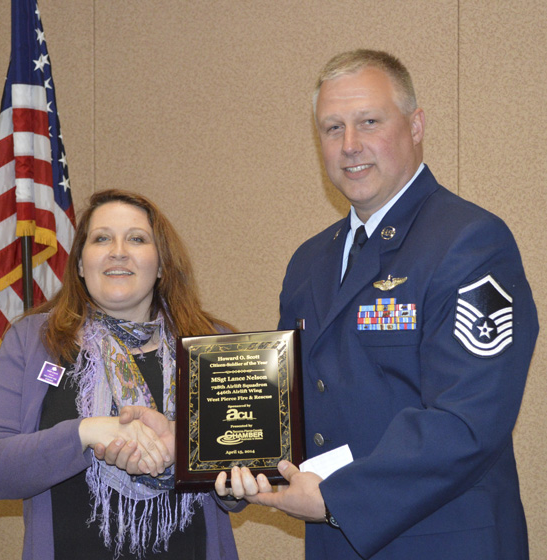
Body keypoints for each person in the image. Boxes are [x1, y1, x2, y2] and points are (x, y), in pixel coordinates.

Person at [215, 49, 539, 559]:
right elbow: (290, 409)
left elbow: (467, 419)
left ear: (415, 126)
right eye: (332, 128)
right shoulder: (309, 260)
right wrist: (225, 458)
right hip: (335, 543)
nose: (350, 145)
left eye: (369, 121)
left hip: (441, 544)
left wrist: (333, 497)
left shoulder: (471, 242)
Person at [0, 189, 242, 560]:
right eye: (101, 238)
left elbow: (241, 467)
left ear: (161, 264)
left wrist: (228, 480)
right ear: (81, 264)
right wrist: (90, 431)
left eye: (136, 238)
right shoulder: (31, 341)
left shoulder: (213, 345)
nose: (118, 250)